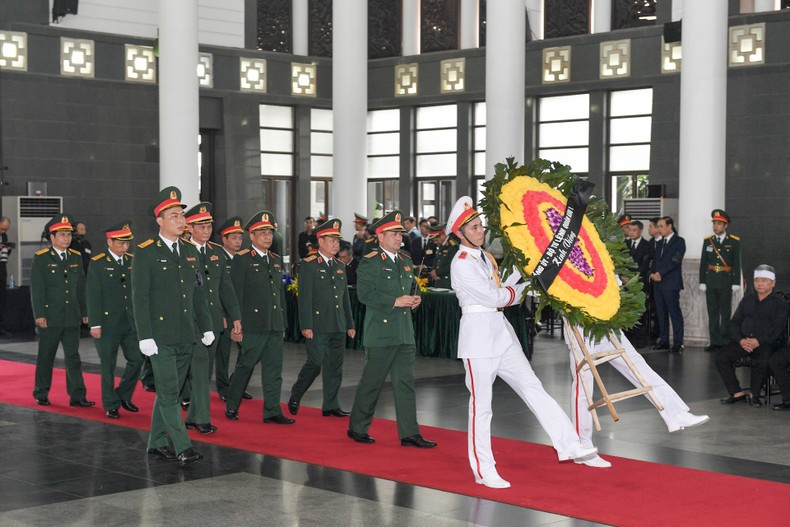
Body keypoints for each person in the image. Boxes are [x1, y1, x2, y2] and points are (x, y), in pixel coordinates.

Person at [446, 196, 598, 489]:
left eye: (480, 225)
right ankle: (484, 469)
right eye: (474, 228)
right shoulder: (462, 264)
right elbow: (494, 296)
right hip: (479, 339)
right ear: (460, 234)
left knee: (533, 387)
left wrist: (528, 266)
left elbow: (503, 283)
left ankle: (568, 443)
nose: (480, 231)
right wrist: (524, 288)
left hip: (501, 333)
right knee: (482, 407)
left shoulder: (485, 257)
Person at [132, 186, 214, 466]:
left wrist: (206, 326)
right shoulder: (146, 252)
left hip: (185, 334)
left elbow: (198, 293)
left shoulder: (190, 251)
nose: (181, 220)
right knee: (168, 393)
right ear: (160, 220)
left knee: (172, 391)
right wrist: (145, 336)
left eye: (182, 215)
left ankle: (156, 442)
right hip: (160, 337)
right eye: (174, 216)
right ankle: (183, 447)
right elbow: (140, 298)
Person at [347, 210, 436, 449]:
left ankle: (410, 433)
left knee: (405, 384)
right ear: (380, 236)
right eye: (394, 234)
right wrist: (395, 301)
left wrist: (415, 299)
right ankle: (357, 427)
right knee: (372, 383)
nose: (399, 238)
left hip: (404, 332)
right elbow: (364, 294)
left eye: (400, 234)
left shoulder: (405, 260)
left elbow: (412, 288)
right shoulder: (371, 261)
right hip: (381, 333)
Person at [566, 328, 709, 467]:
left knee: (637, 365)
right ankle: (583, 446)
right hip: (580, 327)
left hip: (607, 324)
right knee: (583, 386)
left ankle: (675, 413)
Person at [225, 211, 294, 424]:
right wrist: (235, 323)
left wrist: (283, 322)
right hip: (252, 324)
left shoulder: (275, 260)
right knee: (246, 365)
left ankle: (272, 410)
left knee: (274, 369)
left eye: (269, 233)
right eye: (262, 233)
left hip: (274, 323)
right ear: (252, 236)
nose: (267, 237)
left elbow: (279, 295)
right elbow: (235, 294)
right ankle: (232, 404)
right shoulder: (242, 259)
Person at [181, 203, 242, 434]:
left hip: (213, 321)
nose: (206, 231)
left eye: (208, 226)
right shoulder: (182, 251)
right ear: (190, 228)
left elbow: (226, 287)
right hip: (191, 321)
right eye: (201, 226)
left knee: (204, 372)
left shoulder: (216, 252)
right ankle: (201, 418)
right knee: (197, 370)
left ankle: (193, 416)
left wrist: (235, 317)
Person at [288, 219, 356, 417]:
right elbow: (304, 298)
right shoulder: (309, 264)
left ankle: (331, 405)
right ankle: (296, 394)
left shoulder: (339, 266)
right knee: (315, 363)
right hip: (317, 324)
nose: (336, 244)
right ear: (320, 241)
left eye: (337, 241)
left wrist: (349, 324)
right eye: (332, 240)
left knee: (335, 366)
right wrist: (306, 325)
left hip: (337, 323)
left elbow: (344, 298)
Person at [30, 213, 94, 408]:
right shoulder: (42, 258)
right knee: (46, 356)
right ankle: (41, 392)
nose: (67, 238)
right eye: (62, 235)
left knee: (73, 357)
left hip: (71, 316)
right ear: (52, 237)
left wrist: (85, 311)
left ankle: (77, 395)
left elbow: (81, 287)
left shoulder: (76, 257)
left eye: (69, 235)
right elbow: (37, 289)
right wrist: (39, 315)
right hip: (50, 317)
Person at [86, 221, 143, 419]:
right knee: (108, 365)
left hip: (130, 323)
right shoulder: (98, 263)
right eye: (120, 243)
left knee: (137, 359)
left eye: (127, 243)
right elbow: (93, 295)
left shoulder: (132, 261)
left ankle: (123, 395)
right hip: (107, 324)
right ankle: (110, 403)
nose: (124, 247)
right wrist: (95, 324)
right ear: (109, 242)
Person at [715, 265, 788, 408]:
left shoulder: (780, 303)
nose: (759, 284)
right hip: (745, 340)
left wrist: (759, 341)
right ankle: (737, 393)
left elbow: (778, 329)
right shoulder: (747, 300)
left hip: (767, 343)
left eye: (764, 280)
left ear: (773, 283)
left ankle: (755, 395)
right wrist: (741, 340)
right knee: (721, 357)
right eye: (757, 280)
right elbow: (735, 323)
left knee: (763, 360)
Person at [214, 216, 251, 401]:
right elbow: (216, 290)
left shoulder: (243, 259)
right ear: (224, 239)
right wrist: (221, 314)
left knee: (247, 351)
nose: (238, 241)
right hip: (224, 314)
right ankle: (223, 388)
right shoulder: (217, 258)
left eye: (240, 238)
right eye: (234, 238)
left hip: (241, 312)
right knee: (223, 353)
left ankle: (237, 384)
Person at [699, 210, 741, 352]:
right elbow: (703, 263)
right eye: (714, 223)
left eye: (719, 224)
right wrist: (702, 281)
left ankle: (725, 341)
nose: (715, 226)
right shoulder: (708, 241)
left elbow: (737, 263)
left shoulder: (734, 241)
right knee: (712, 312)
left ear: (725, 225)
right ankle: (714, 341)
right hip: (711, 280)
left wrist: (736, 282)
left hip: (725, 281)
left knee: (725, 312)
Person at [650, 216, 685, 353]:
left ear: (670, 226)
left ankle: (678, 342)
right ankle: (664, 340)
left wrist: (661, 273)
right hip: (658, 284)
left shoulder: (679, 241)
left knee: (674, 313)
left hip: (671, 284)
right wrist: (652, 274)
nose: (659, 229)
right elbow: (655, 261)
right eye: (658, 226)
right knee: (661, 313)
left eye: (661, 226)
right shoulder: (659, 243)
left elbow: (675, 261)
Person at [0, 216, 13, 335]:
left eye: (5, 229)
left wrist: (8, 248)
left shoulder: (4, 236)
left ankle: (1, 325)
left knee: (2, 296)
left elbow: (5, 254)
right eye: (2, 228)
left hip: (2, 266)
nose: (3, 231)